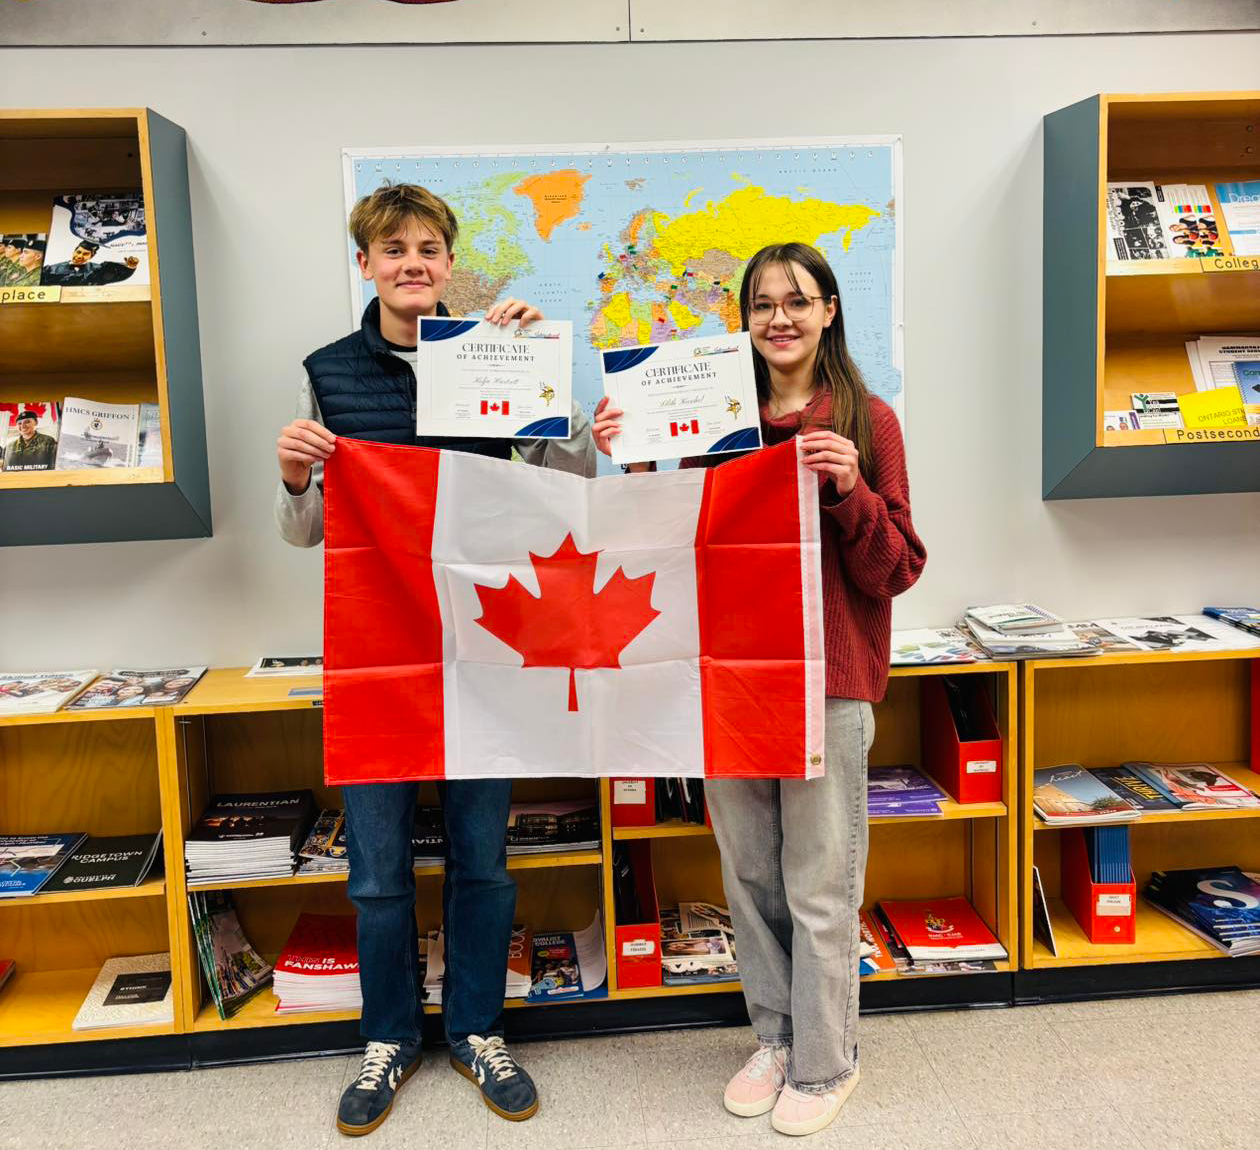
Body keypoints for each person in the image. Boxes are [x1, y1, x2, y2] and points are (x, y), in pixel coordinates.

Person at [274, 182, 594, 1138]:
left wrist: (542, 373)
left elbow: (571, 480)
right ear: (365, 263)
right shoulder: (329, 373)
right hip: (377, 650)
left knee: (482, 860)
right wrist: (296, 479)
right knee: (374, 868)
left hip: (484, 647)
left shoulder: (495, 352)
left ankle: (477, 1030)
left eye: (428, 247)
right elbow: (306, 536)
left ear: (450, 261)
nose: (412, 263)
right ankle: (387, 1038)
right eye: (392, 249)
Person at [594, 241, 925, 1137]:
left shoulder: (869, 422)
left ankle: (826, 1063)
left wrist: (851, 489)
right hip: (728, 679)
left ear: (827, 313)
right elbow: (664, 545)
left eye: (798, 300)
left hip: (826, 684)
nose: (779, 317)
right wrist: (633, 462)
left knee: (821, 882)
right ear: (743, 318)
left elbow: (896, 570)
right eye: (762, 303)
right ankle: (776, 1037)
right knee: (749, 876)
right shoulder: (711, 423)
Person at [41, 239, 139, 286]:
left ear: (91, 256)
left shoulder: (98, 270)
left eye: (85, 254)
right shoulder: (51, 269)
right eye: (78, 252)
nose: (80, 256)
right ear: (74, 251)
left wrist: (130, 266)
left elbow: (117, 275)